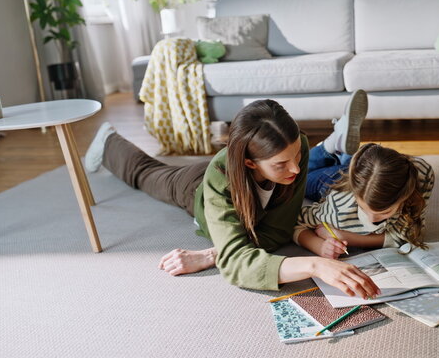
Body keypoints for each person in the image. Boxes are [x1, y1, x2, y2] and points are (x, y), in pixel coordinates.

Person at [84, 95, 380, 299]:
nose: (295, 168)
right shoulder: (220, 179)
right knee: (148, 175)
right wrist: (314, 264)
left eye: (298, 156)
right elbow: (237, 266)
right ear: (251, 163)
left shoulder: (296, 147)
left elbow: (276, 232)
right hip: (194, 186)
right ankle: (108, 140)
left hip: (238, 167)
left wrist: (215, 253)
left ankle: (331, 145)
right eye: (281, 164)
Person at [295, 139, 435, 259]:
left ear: (405, 196)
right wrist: (318, 246)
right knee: (300, 176)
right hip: (330, 182)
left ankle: (344, 151)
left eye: (385, 212)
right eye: (363, 208)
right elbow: (295, 221)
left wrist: (344, 237)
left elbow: (410, 234)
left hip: (362, 172)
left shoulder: (422, 175)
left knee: (350, 164)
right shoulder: (339, 208)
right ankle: (329, 146)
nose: (372, 219)